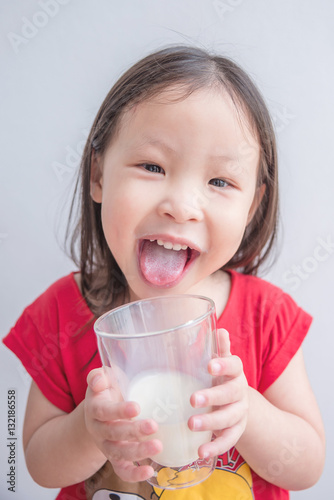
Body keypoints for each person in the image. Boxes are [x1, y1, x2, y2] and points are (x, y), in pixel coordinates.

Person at [3, 46, 325, 500]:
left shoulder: (265, 316)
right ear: (98, 175)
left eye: (220, 182)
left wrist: (247, 410)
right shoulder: (61, 312)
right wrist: (86, 430)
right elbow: (34, 463)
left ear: (252, 206)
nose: (181, 205)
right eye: (152, 166)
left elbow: (308, 465)